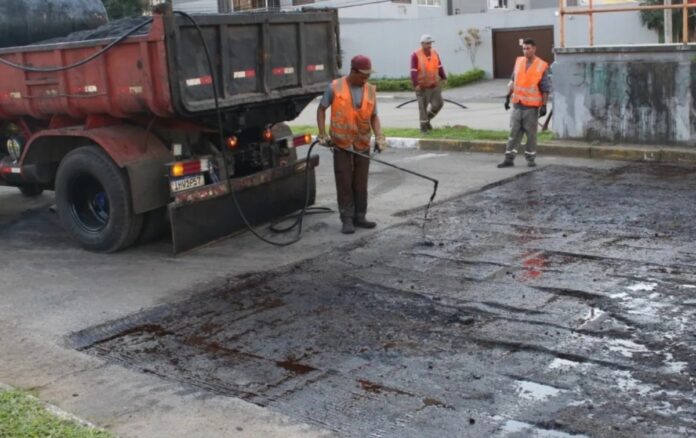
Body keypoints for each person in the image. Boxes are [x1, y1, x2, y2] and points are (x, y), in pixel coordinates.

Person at [316, 55, 388, 235]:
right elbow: (321, 109)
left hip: (362, 143)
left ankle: (360, 216)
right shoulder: (335, 87)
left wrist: (379, 137)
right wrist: (322, 134)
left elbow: (374, 116)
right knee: (344, 182)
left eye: (368, 75)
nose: (366, 79)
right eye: (363, 75)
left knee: (361, 183)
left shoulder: (370, 90)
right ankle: (347, 219)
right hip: (341, 144)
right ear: (353, 71)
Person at [498, 38, 550, 168]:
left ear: (534, 48)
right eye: (524, 48)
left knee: (531, 135)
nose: (526, 51)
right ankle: (509, 159)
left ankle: (530, 159)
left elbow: (545, 88)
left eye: (528, 48)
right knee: (513, 133)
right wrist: (507, 97)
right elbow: (512, 81)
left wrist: (544, 105)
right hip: (517, 105)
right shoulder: (519, 62)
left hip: (531, 108)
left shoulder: (541, 65)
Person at [411, 34, 447, 134]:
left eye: (430, 43)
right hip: (423, 87)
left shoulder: (435, 52)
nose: (429, 45)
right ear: (422, 44)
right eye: (427, 43)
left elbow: (439, 66)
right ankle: (423, 128)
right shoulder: (415, 55)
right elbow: (413, 71)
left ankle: (427, 120)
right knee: (422, 108)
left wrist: (443, 77)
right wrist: (416, 84)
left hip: (435, 85)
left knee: (438, 104)